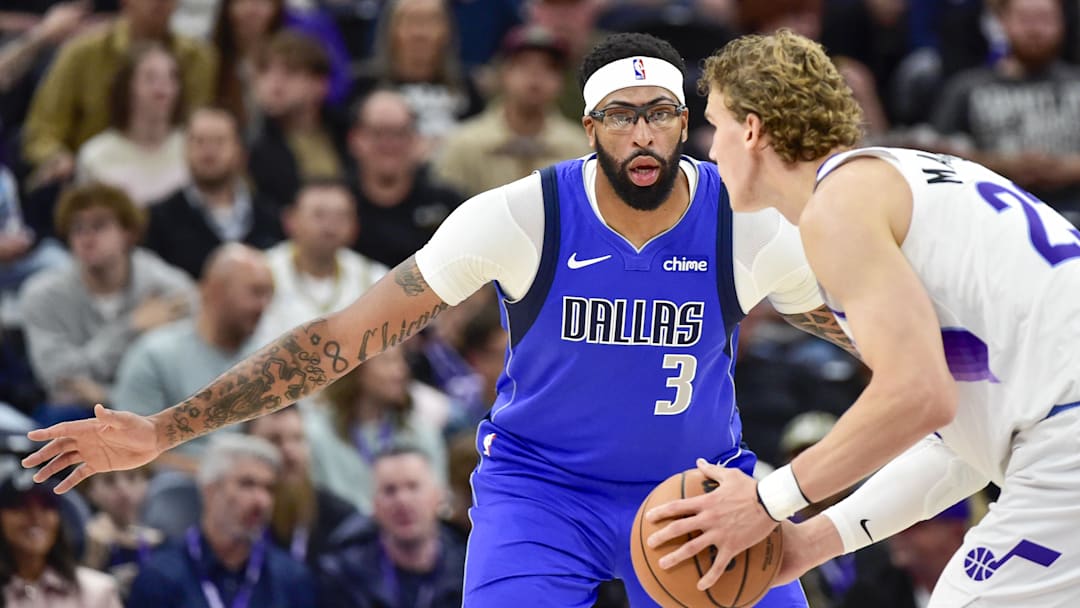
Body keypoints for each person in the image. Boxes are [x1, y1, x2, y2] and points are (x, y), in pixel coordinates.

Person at [21, 33, 860, 606]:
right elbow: (337, 341)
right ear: (588, 126)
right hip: (543, 492)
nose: (643, 134)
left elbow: (875, 338)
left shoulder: (743, 221)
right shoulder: (520, 216)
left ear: (687, 122)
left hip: (701, 491)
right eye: (621, 115)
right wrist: (167, 431)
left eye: (661, 114)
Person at [641, 29, 1080, 607]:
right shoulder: (898, 178)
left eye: (716, 125)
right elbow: (960, 442)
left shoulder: (839, 207)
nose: (710, 150)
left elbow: (917, 397)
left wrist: (765, 502)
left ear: (751, 130)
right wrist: (811, 542)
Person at [126, 434, 317, 607]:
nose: (262, 501)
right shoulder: (161, 576)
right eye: (247, 484)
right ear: (210, 490)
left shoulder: (291, 578)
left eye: (269, 489)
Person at [318, 445, 467, 607]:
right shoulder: (344, 577)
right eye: (389, 490)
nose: (402, 501)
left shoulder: (470, 569)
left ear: (439, 495)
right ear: (373, 504)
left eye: (413, 487)